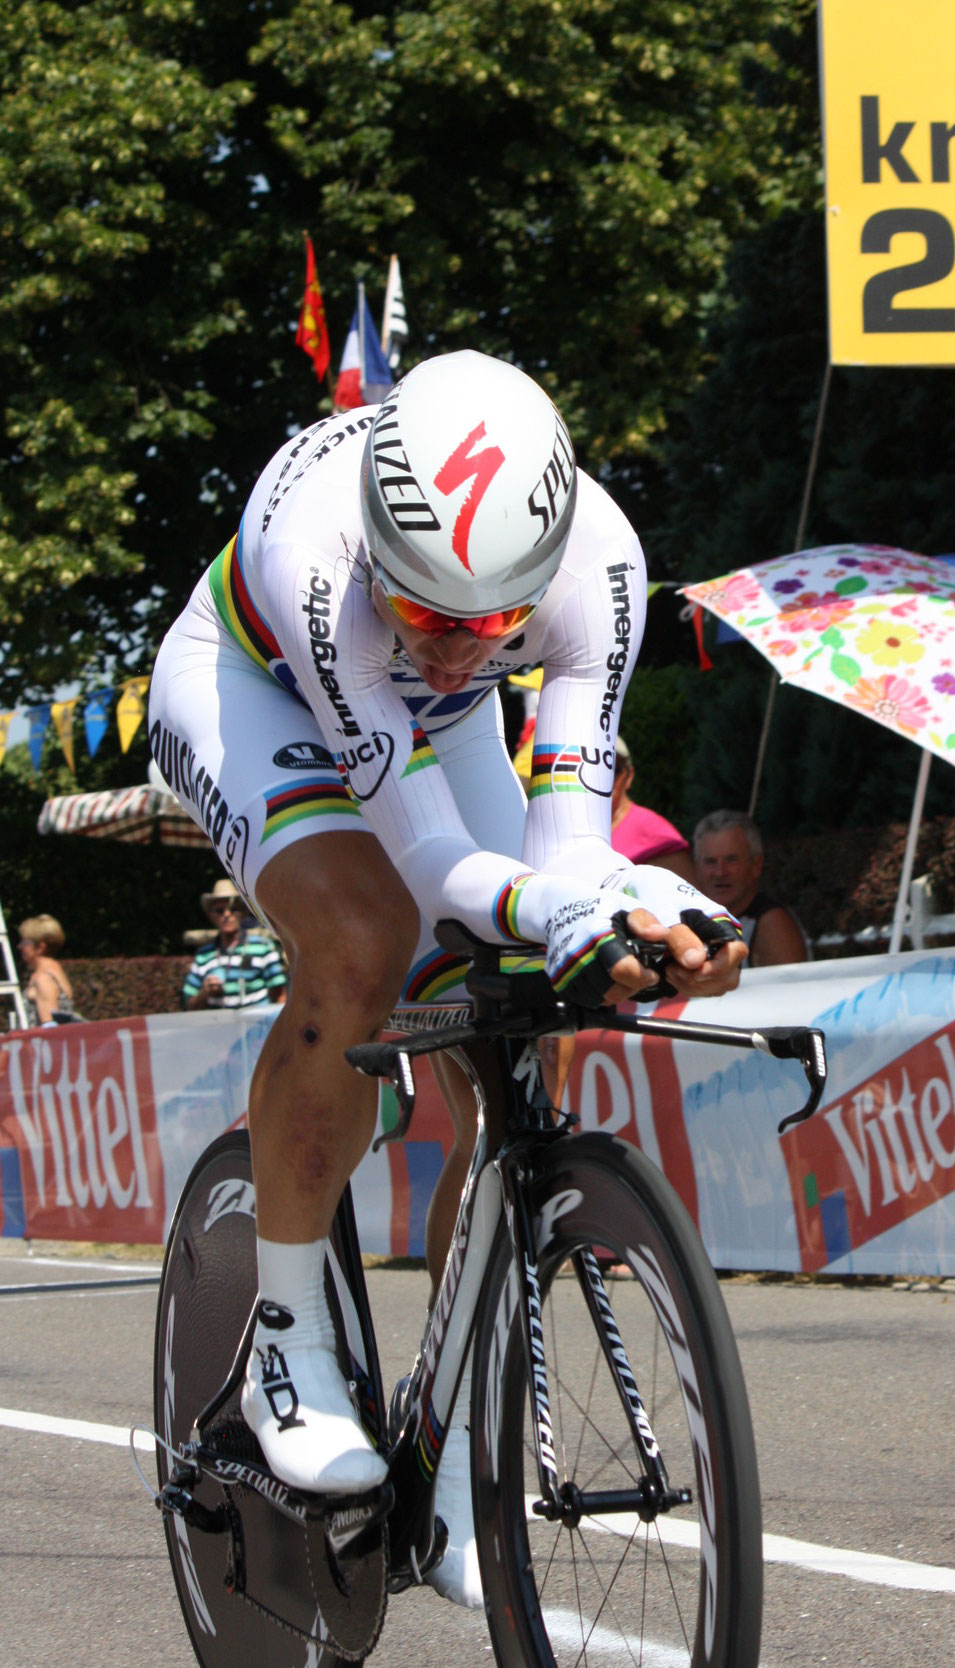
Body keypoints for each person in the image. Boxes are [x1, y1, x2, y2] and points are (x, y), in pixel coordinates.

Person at [148, 350, 745, 1602]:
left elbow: (567, 843)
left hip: (428, 724)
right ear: (376, 551)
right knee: (363, 938)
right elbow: (429, 858)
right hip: (250, 685)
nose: (452, 642)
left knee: (527, 1010)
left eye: (485, 628)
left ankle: (460, 1439)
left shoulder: (603, 562)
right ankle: (286, 1337)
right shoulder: (320, 561)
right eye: (421, 611)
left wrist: (640, 897)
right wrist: (552, 899)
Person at [692, 810, 809, 968]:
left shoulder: (771, 923)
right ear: (696, 867)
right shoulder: (691, 921)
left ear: (756, 865)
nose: (720, 872)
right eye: (710, 862)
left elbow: (791, 990)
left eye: (731, 860)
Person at [181, 879, 289, 1010]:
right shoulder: (204, 955)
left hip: (259, 1027)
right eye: (220, 911)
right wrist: (205, 992)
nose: (227, 915)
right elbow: (190, 1006)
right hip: (218, 1027)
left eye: (233, 909)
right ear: (211, 915)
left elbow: (280, 997)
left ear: (243, 913)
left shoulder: (263, 948)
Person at [610, 737, 696, 882]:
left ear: (629, 777)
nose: (603, 777)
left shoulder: (657, 834)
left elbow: (688, 899)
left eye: (614, 769)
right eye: (594, 768)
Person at [18, 915, 77, 1025]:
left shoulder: (43, 978)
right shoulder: (55, 970)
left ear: (40, 947)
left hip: (39, 1041)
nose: (20, 947)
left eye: (25, 943)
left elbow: (49, 1026)